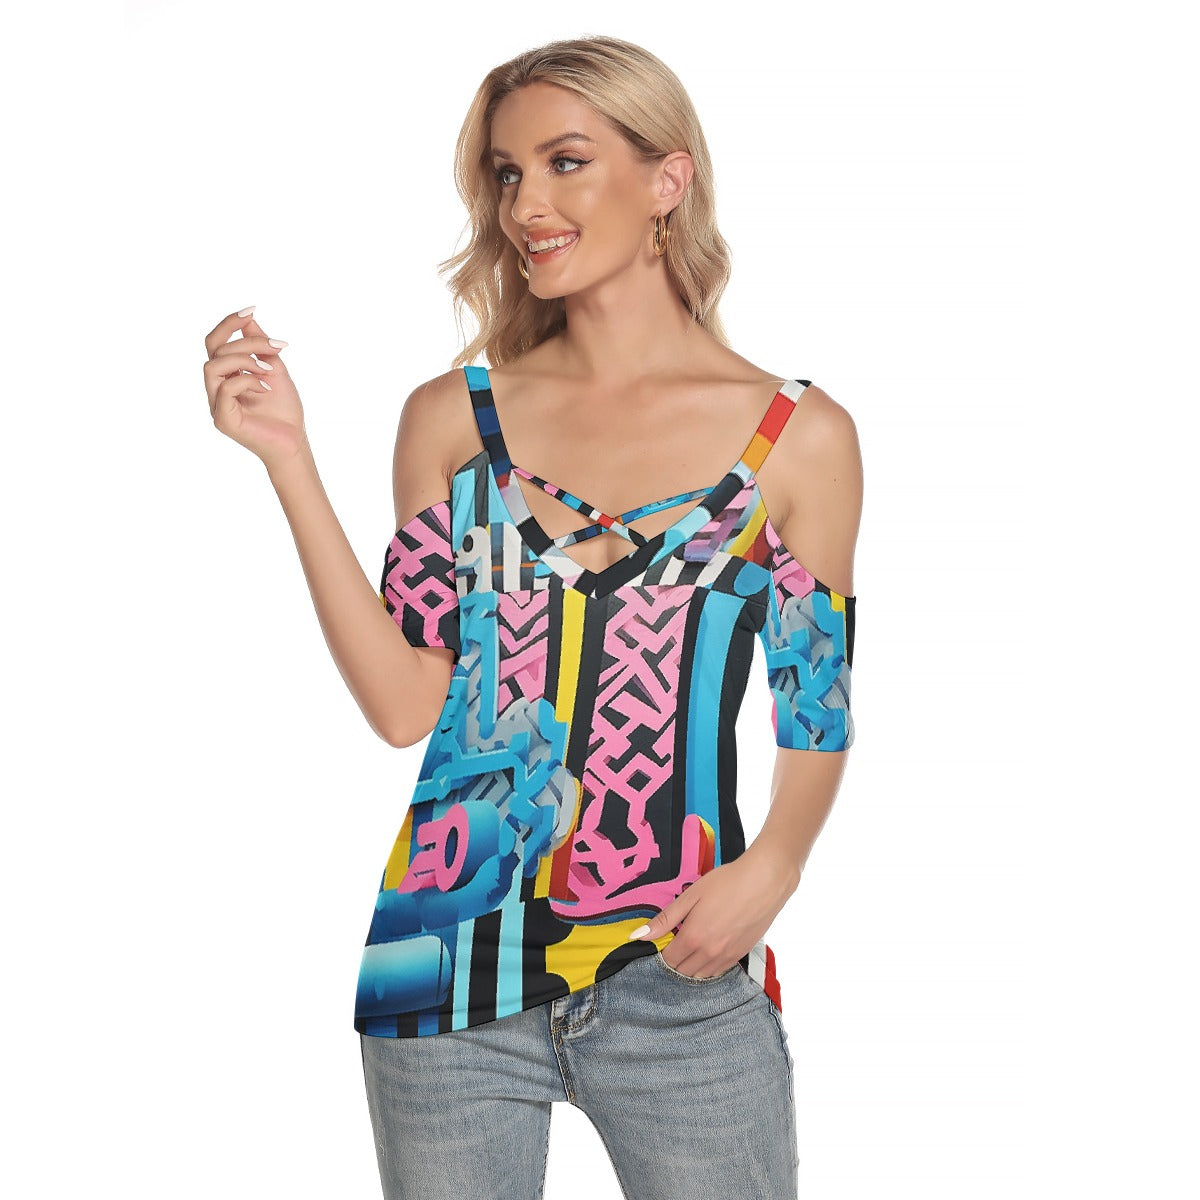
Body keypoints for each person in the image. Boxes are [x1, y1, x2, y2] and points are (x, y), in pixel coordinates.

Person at [203, 34, 860, 1200]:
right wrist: (289, 461)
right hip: (444, 970)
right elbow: (405, 705)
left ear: (667, 179)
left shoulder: (796, 436)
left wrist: (778, 865)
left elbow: (815, 706)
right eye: (507, 174)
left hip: (681, 974)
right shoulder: (453, 420)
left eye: (565, 163)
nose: (525, 206)